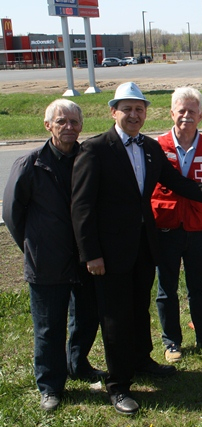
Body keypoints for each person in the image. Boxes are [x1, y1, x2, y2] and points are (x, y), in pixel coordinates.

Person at [71, 82, 202, 415]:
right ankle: (119, 385)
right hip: (109, 253)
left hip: (144, 248)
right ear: (114, 112)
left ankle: (142, 360)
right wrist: (90, 253)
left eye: (139, 109)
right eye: (127, 109)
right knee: (115, 318)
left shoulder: (149, 149)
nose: (134, 115)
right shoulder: (96, 149)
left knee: (140, 308)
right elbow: (81, 206)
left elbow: (181, 184)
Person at [3, 99, 104, 412]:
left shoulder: (89, 159)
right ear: (48, 125)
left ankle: (78, 364)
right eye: (62, 121)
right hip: (46, 262)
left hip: (84, 257)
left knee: (86, 317)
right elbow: (12, 213)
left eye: (75, 122)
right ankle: (50, 385)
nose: (69, 127)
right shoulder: (30, 164)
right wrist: (33, 245)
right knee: (48, 327)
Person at [151, 87, 202, 362]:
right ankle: (172, 341)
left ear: (201, 115)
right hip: (165, 231)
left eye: (192, 112)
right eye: (181, 111)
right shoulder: (156, 147)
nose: (186, 116)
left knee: (199, 289)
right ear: (172, 112)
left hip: (198, 231)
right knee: (167, 290)